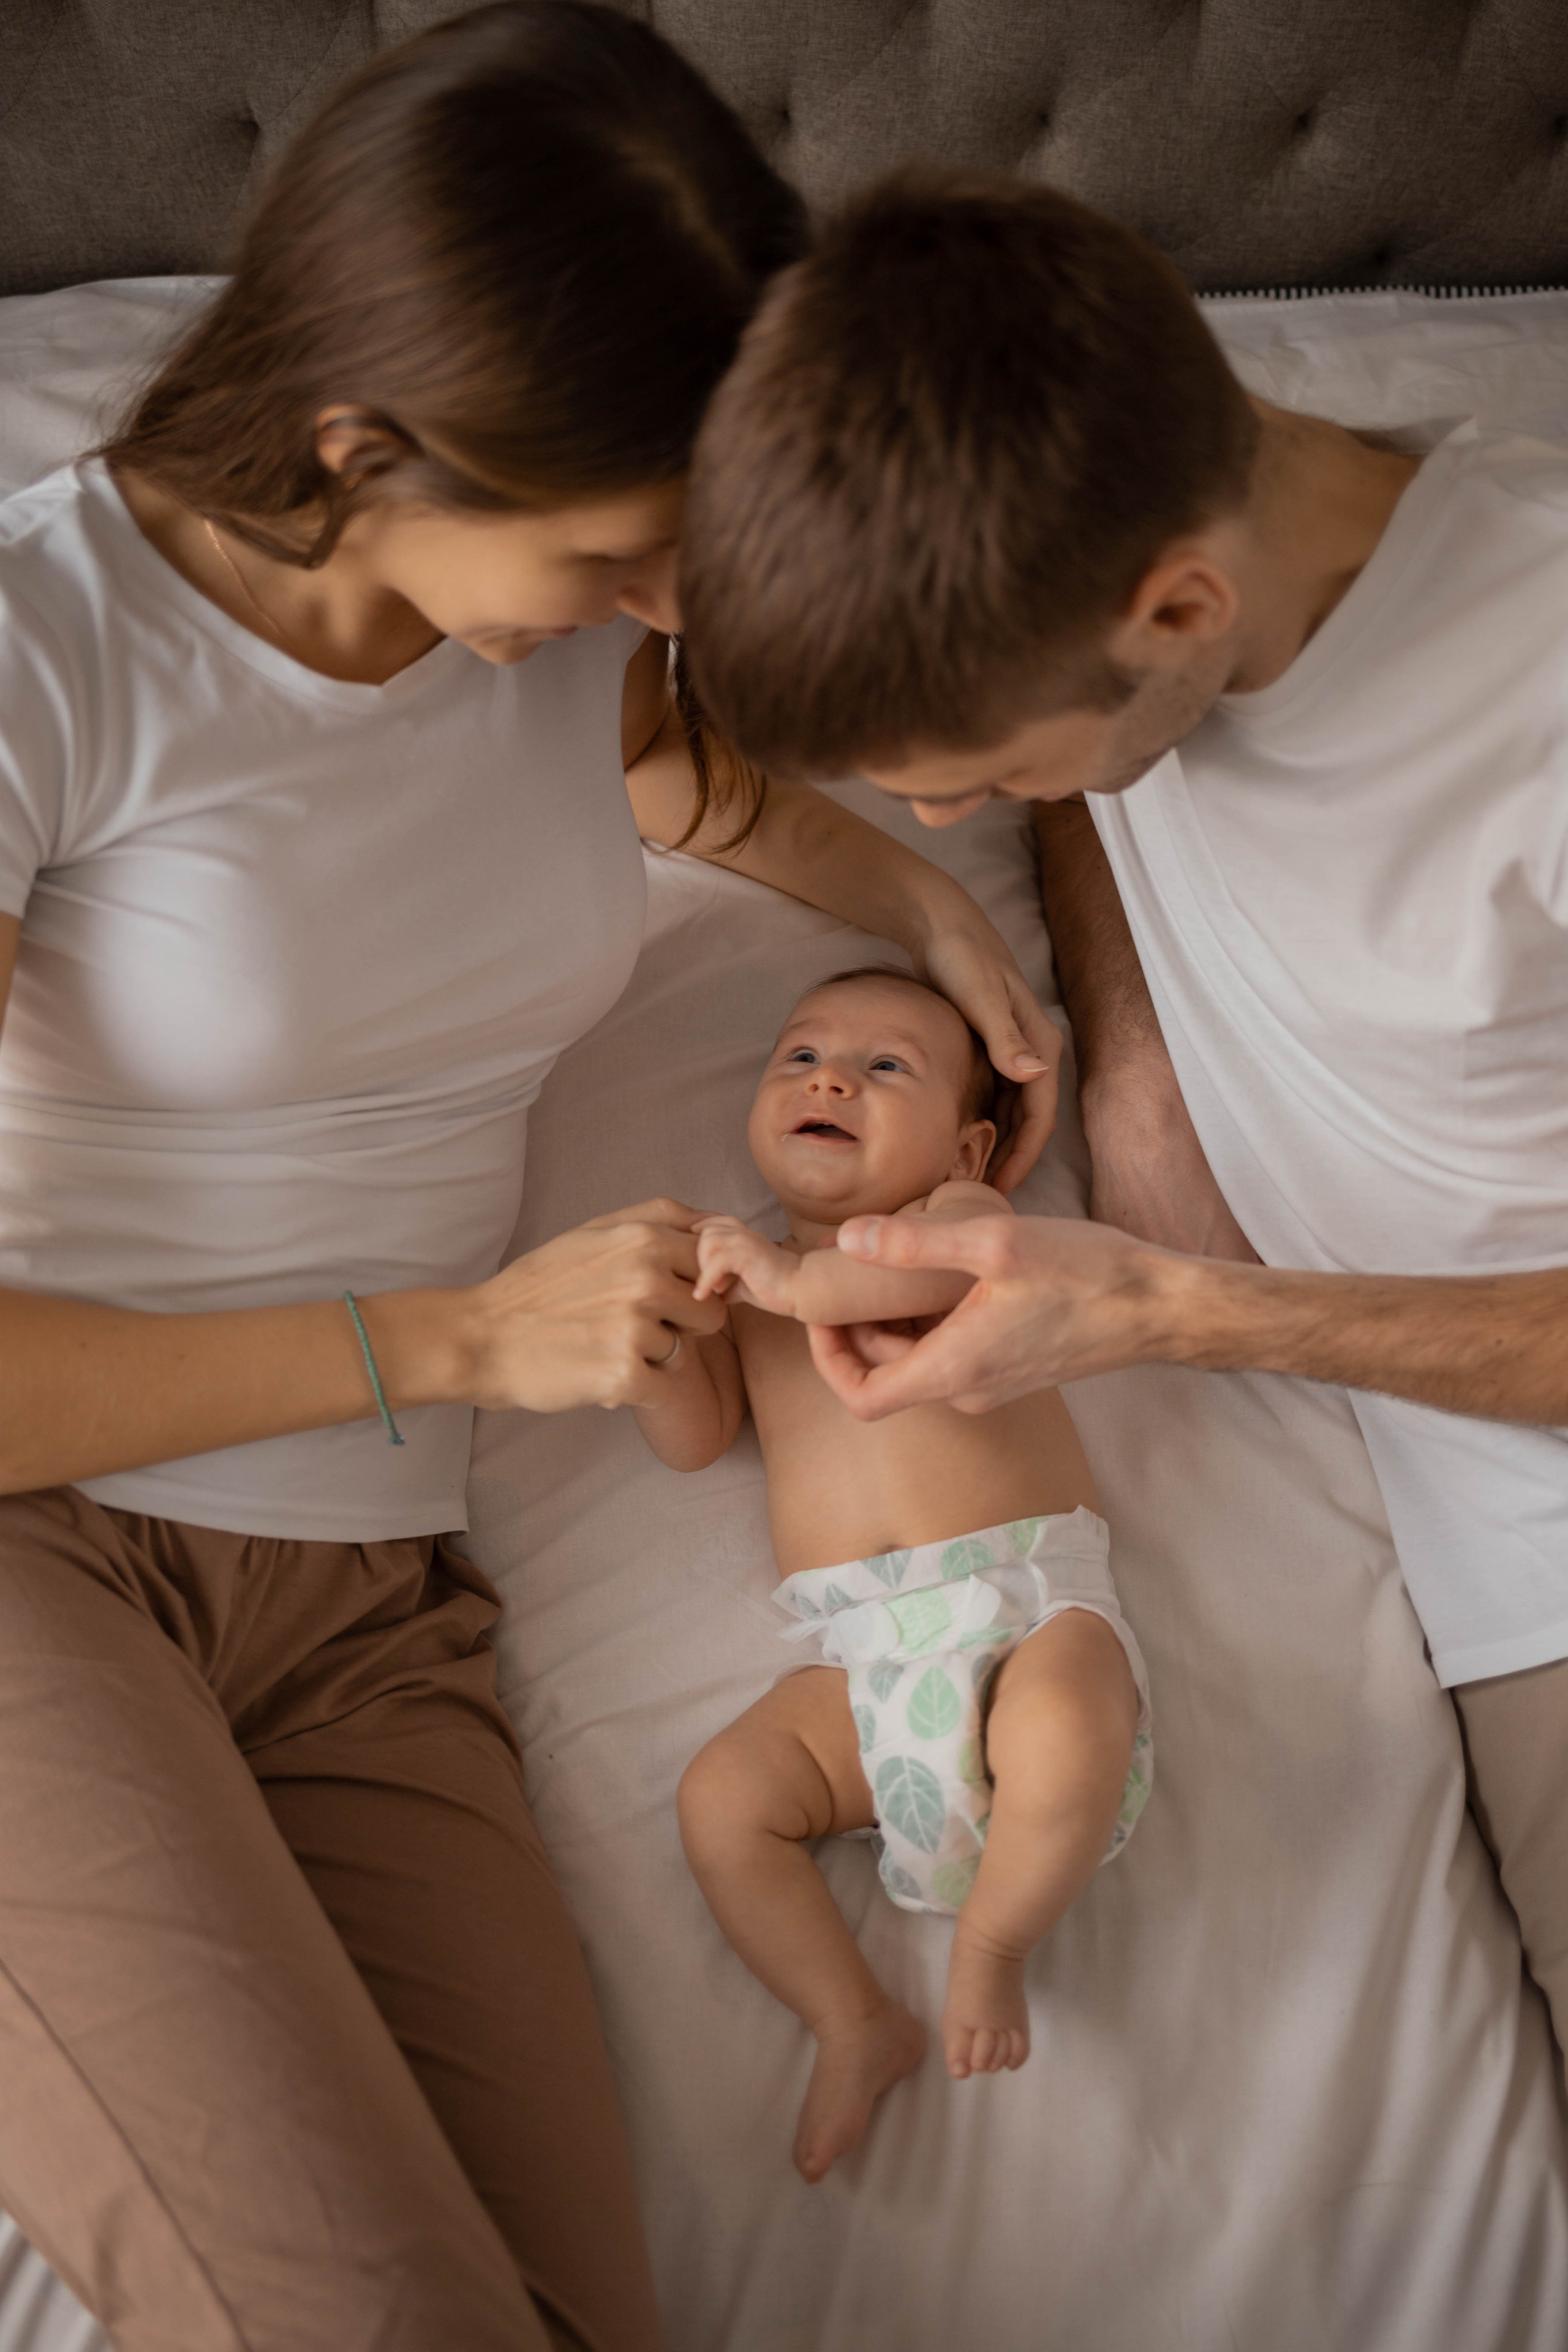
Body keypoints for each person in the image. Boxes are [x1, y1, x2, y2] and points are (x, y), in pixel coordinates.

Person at [0, 34, 1065, 2349]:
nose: (661, 593)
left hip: (366, 1608)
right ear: (361, 441)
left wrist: (940, 911)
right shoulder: (41, 660)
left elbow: (689, 777)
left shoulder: (547, 649)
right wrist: (462, 1341)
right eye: (614, 544)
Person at [679, 171, 1568, 2059]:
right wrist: (1137, 1052)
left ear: (1179, 609)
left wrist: (1175, 1310)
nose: (951, 825)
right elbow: (1098, 773)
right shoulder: (1108, 503)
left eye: (985, 772)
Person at [631, 968, 1152, 2184]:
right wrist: (652, 1351)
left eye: (882, 1068)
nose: (827, 1077)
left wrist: (782, 1280)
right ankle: (850, 2019)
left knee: (1074, 1715)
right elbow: (698, 1437)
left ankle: (996, 1946)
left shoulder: (958, 1223)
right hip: (865, 1672)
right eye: (800, 1053)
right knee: (722, 1801)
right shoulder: (749, 1286)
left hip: (1028, 1611)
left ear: (964, 1140)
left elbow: (915, 1282)